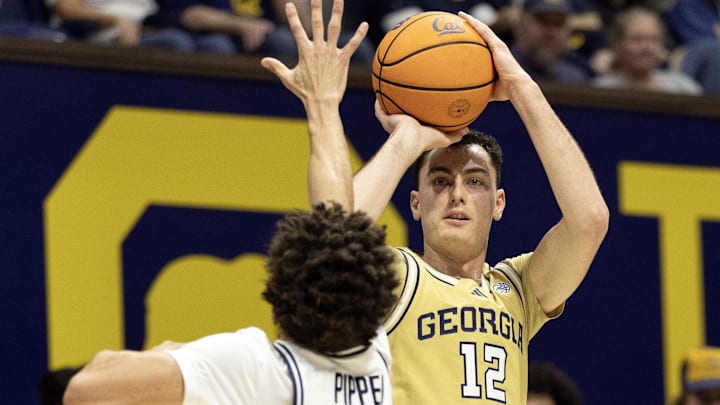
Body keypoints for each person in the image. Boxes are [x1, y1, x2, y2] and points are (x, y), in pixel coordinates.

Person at [262, 0, 609, 404]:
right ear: (415, 202)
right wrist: (408, 140)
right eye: (440, 181)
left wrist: (522, 89)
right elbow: (332, 240)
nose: (457, 193)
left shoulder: (517, 290)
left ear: (499, 204)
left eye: (475, 181)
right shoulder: (395, 275)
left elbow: (590, 220)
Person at [62, 10, 399, 398]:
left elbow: (84, 390)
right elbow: (341, 228)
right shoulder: (373, 364)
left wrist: (177, 356)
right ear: (377, 304)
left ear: (280, 292)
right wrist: (395, 135)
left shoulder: (251, 366)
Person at [591, 6, 703, 94]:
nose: (646, 48)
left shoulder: (684, 89)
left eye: (654, 40)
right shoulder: (598, 91)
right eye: (636, 39)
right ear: (617, 45)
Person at [45, 0, 197, 50]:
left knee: (214, 45)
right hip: (105, 36)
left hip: (149, 30)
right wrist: (115, 20)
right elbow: (65, 8)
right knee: (176, 42)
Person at [510, 0, 593, 83]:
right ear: (520, 24)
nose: (550, 32)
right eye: (542, 20)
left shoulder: (575, 81)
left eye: (558, 23)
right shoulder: (501, 73)